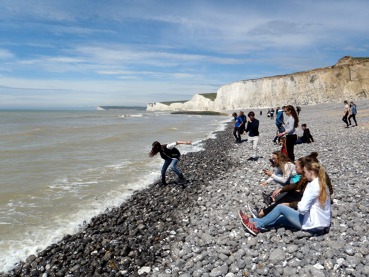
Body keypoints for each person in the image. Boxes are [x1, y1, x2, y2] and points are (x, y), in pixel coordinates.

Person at [240, 153, 332, 236]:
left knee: (281, 208)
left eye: (305, 172)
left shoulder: (311, 186)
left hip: (312, 225)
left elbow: (302, 209)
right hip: (322, 225)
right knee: (282, 219)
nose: (304, 174)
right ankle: (253, 221)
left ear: (311, 172)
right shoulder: (322, 183)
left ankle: (257, 227)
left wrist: (293, 206)